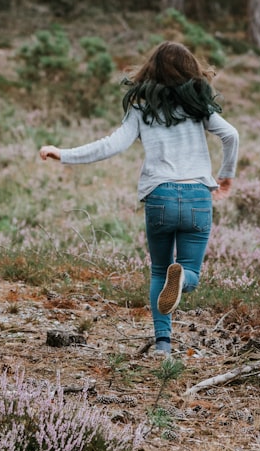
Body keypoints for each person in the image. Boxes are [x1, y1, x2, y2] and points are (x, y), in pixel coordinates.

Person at [38, 41, 239, 355]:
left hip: (160, 197)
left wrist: (62, 154)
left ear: (151, 70)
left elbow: (111, 145)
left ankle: (163, 345)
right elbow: (231, 135)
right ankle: (183, 277)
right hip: (198, 195)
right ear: (190, 70)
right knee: (191, 274)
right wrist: (225, 176)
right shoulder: (198, 106)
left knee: (159, 270)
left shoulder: (142, 107)